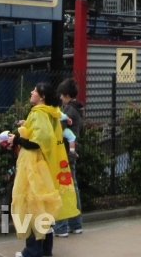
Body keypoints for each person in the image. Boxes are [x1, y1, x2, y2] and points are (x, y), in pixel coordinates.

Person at [3, 83, 79, 257]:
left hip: (34, 166)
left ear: (42, 97)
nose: (31, 92)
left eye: (35, 91)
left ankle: (32, 251)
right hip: (46, 165)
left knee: (31, 205)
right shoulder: (51, 112)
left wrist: (16, 140)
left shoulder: (38, 113)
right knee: (43, 207)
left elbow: (39, 140)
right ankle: (44, 249)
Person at [52, 79, 84, 238]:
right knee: (73, 187)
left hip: (64, 153)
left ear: (65, 96)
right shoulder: (78, 109)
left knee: (63, 188)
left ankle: (61, 226)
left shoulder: (69, 111)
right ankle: (76, 224)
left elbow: (58, 127)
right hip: (72, 152)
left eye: (61, 96)